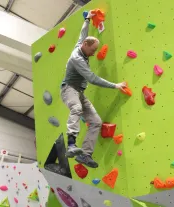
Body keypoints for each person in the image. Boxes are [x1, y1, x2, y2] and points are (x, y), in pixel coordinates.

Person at [60, 12, 126, 168]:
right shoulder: (77, 58)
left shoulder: (81, 45)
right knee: (76, 108)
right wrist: (115, 85)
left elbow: (83, 34)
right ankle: (71, 144)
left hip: (79, 92)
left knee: (96, 122)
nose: (94, 53)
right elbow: (92, 79)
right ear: (85, 46)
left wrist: (87, 19)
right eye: (93, 50)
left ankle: (85, 154)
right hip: (68, 89)